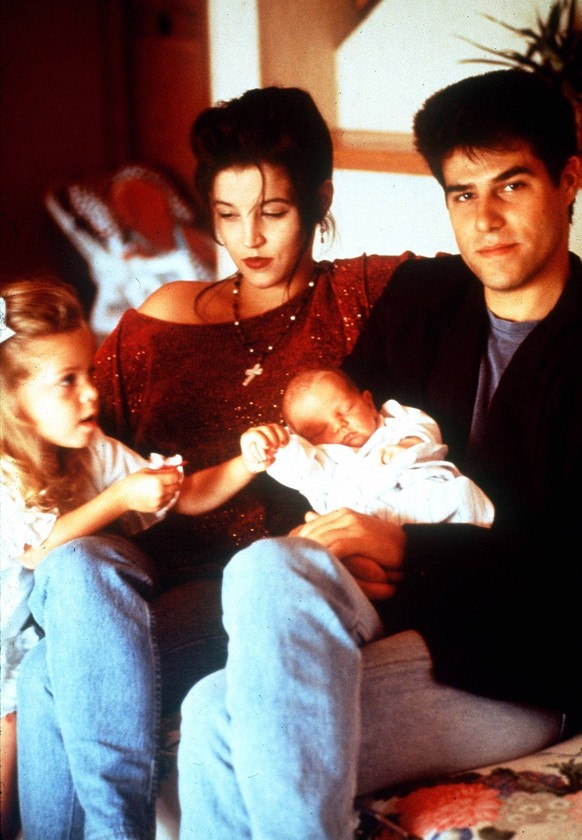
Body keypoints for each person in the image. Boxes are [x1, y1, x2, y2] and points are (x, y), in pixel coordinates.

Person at [177, 69, 582, 840]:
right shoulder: (422, 299)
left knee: (215, 721)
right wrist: (338, 538)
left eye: (512, 185)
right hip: (391, 607)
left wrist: (404, 546)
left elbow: (570, 572)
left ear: (567, 181)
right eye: (463, 194)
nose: (486, 219)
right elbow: (329, 442)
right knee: (264, 567)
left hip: (520, 660)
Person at [16, 87, 412, 838]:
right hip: (136, 582)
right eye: (227, 215)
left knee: (47, 673)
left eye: (273, 212)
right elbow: (74, 443)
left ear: (320, 201)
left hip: (256, 594)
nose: (248, 238)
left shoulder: (365, 293)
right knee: (72, 577)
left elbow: (496, 290)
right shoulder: (158, 317)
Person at [0, 276, 276, 839]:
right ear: (13, 402)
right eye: (67, 382)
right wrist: (122, 497)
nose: (92, 394)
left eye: (89, 373)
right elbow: (40, 550)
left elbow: (185, 494)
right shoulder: (5, 469)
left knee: (43, 676)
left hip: (45, 640)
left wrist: (247, 461)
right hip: (7, 644)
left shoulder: (93, 450)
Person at [241, 367, 494, 526]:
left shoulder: (395, 421)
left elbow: (425, 428)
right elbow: (300, 469)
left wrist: (408, 444)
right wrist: (275, 446)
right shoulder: (325, 458)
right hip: (366, 526)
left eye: (345, 410)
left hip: (425, 501)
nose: (338, 426)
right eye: (318, 431)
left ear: (369, 403)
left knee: (459, 495)